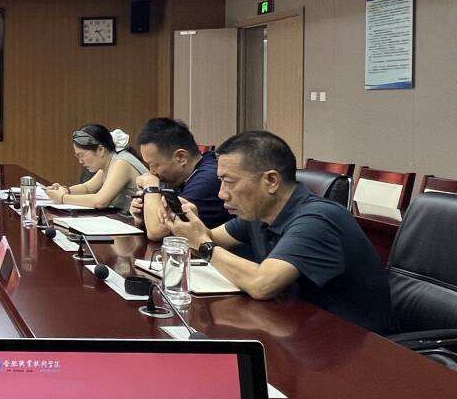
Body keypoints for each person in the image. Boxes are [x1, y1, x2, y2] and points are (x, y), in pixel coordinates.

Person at [163, 130, 391, 334]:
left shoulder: (318, 220)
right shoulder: (258, 213)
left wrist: (202, 243)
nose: (222, 193)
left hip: (355, 346)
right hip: (296, 328)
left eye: (229, 182)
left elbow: (262, 284)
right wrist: (189, 224)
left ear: (271, 181)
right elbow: (210, 239)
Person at [130, 117, 230, 239]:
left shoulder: (208, 179)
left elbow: (156, 232)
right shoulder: (182, 176)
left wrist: (150, 185)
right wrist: (142, 217)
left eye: (154, 165)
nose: (152, 172)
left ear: (181, 157)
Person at [45, 124, 147, 214]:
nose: (80, 161)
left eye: (81, 155)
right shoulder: (109, 162)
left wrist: (63, 198)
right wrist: (66, 190)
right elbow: (88, 188)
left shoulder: (121, 163)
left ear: (101, 150)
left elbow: (100, 202)